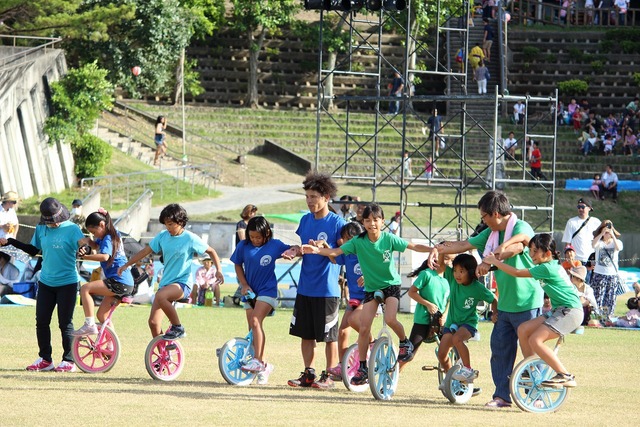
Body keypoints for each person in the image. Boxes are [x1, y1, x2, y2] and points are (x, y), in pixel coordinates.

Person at [427, 190, 543, 408]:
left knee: (530, 352)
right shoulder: (490, 235)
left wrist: (490, 261)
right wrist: (437, 248)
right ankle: (502, 396)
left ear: (495, 213)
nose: (482, 221)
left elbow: (517, 247)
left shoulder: (520, 227)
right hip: (505, 304)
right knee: (499, 350)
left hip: (527, 302)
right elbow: (462, 245)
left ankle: (536, 394)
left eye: (484, 216)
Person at [302, 203, 434, 386]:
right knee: (363, 328)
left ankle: (405, 343)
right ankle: (363, 367)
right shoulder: (358, 242)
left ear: (382, 221)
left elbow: (414, 246)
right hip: (371, 289)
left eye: (375, 220)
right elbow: (336, 252)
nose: (372, 223)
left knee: (390, 319)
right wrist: (316, 250)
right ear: (363, 222)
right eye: (368, 220)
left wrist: (434, 249)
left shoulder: (389, 239)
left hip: (391, 286)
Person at [484, 234, 583, 388]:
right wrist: (510, 245)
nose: (531, 255)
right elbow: (524, 236)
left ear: (548, 253)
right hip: (559, 310)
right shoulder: (550, 264)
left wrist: (494, 261)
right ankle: (531, 370)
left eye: (535, 251)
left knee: (535, 340)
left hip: (570, 311)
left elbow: (517, 273)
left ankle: (565, 375)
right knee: (523, 329)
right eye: (530, 250)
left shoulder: (546, 268)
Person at [0, 198, 84, 372]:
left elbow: (85, 247)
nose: (52, 224)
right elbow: (33, 250)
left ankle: (69, 360)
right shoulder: (41, 229)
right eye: (49, 221)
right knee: (42, 322)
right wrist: (10, 241)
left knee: (65, 323)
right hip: (46, 282)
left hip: (68, 282)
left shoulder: (72, 228)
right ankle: (45, 359)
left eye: (55, 220)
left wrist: (85, 250)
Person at [118, 204, 223, 340]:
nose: (168, 228)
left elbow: (211, 251)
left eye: (171, 224)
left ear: (180, 222)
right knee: (153, 323)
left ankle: (178, 327)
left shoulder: (190, 238)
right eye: (166, 225)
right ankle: (164, 356)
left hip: (182, 284)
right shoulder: (163, 236)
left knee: (161, 296)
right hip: (165, 285)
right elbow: (145, 251)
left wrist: (219, 271)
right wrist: (127, 264)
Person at [286, 172, 346, 390]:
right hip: (306, 287)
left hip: (327, 288)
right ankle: (308, 373)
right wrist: (295, 251)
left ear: (326, 197)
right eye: (308, 196)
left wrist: (323, 248)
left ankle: (329, 375)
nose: (310, 201)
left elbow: (341, 255)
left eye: (314, 196)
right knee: (306, 334)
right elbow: (305, 249)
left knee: (329, 336)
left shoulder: (338, 223)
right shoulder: (305, 220)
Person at [231, 216, 294, 385]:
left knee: (256, 321)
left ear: (267, 233)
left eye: (258, 237)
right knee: (253, 329)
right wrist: (243, 285)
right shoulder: (243, 246)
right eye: (252, 237)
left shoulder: (274, 245)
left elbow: (295, 249)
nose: (255, 240)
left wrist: (292, 251)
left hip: (268, 291)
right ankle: (264, 366)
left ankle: (258, 361)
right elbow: (237, 265)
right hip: (250, 292)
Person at [433, 252, 497, 384]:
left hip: (468, 323)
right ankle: (452, 379)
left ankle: (468, 370)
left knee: (457, 339)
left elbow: (494, 300)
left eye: (461, 271)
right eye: (455, 270)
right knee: (441, 354)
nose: (457, 274)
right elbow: (441, 266)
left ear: (471, 272)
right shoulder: (453, 279)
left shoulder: (477, 288)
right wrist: (441, 251)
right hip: (452, 322)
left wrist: (495, 314)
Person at [72, 209, 135, 336]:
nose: (94, 235)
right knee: (102, 315)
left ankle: (89, 324)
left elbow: (104, 256)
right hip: (126, 282)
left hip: (118, 281)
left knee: (85, 289)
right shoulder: (112, 233)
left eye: (94, 232)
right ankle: (111, 345)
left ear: (102, 224)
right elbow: (96, 245)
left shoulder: (107, 237)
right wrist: (87, 241)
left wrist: (85, 258)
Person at [326, 222, 371, 380]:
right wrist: (323, 246)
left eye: (347, 239)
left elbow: (378, 267)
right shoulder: (347, 254)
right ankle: (342, 365)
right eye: (343, 240)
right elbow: (333, 258)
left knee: (353, 320)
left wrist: (368, 275)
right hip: (354, 298)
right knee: (342, 331)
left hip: (369, 297)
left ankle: (371, 342)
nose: (344, 243)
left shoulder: (366, 252)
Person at [400, 256, 450, 371]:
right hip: (422, 319)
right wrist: (427, 304)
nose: (450, 262)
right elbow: (412, 292)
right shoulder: (426, 274)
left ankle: (455, 382)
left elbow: (449, 301)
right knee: (410, 354)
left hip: (441, 322)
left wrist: (445, 315)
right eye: (447, 259)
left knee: (450, 351)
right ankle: (391, 379)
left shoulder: (448, 279)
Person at [590, 219, 623, 316]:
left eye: (609, 230)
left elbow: (618, 248)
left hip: (612, 275)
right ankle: (597, 317)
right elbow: (593, 245)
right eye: (604, 230)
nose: (607, 233)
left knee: (611, 298)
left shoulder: (617, 242)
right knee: (598, 296)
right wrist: (601, 234)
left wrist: (612, 234)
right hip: (599, 274)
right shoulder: (599, 242)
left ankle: (608, 317)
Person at [562, 197, 600, 265]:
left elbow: (601, 240)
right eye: (578, 207)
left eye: (582, 207)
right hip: (576, 260)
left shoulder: (596, 222)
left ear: (589, 208)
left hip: (592, 260)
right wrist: (568, 259)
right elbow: (568, 243)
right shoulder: (571, 222)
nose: (580, 209)